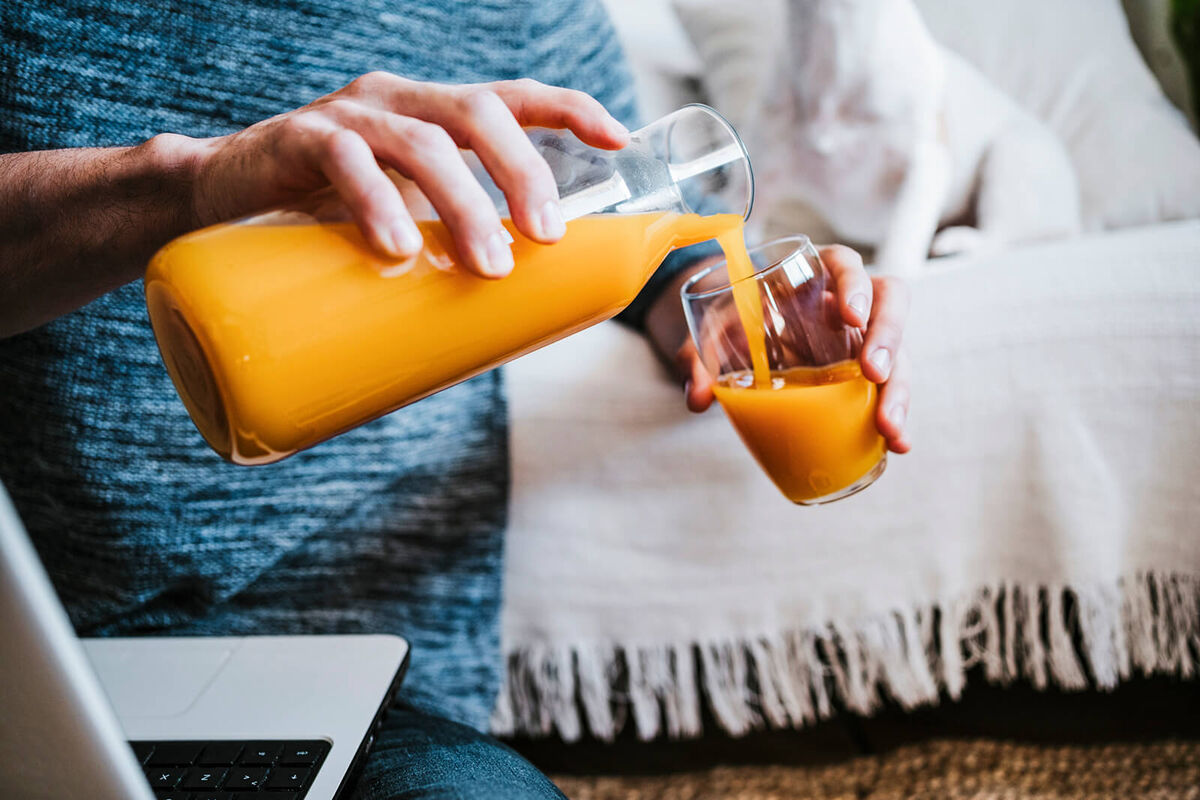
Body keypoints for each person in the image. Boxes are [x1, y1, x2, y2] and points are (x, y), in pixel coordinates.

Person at [0, 1, 911, 797]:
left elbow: (659, 240)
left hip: (358, 681)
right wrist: (187, 182)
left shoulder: (531, 12)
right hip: (36, 650)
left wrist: (735, 319)